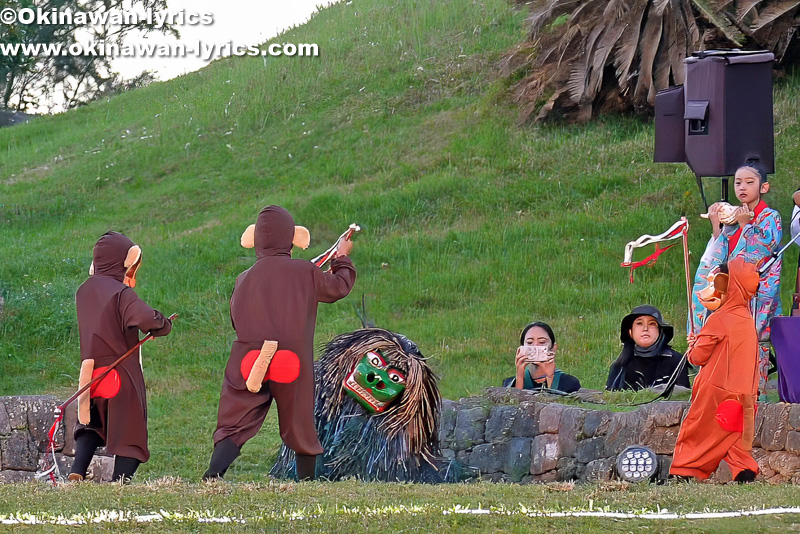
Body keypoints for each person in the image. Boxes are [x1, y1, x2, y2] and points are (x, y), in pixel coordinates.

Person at [203, 206, 356, 481]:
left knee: (235, 417)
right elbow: (337, 288)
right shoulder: (304, 271)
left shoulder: (243, 278)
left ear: (256, 240)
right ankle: (306, 482)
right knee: (299, 421)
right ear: (291, 239)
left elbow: (236, 319)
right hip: (290, 360)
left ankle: (213, 473)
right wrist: (342, 259)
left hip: (249, 359)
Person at [69, 232, 173, 483]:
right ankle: (120, 483)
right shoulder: (120, 292)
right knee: (130, 432)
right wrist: (163, 324)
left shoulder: (83, 290)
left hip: (90, 373)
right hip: (120, 372)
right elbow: (148, 319)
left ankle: (77, 471)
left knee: (91, 423)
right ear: (123, 260)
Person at [690, 162, 782, 393]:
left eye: (750, 182)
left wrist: (746, 225)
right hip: (729, 294)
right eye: (738, 182)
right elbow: (720, 257)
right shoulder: (733, 218)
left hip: (754, 294)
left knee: (751, 342)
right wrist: (717, 227)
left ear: (763, 187)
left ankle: (754, 395)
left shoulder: (770, 216)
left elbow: (759, 252)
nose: (742, 187)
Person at [670, 258, 760, 482]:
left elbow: (698, 357)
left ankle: (685, 470)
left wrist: (693, 346)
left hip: (716, 392)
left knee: (699, 430)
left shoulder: (719, 319)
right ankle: (744, 471)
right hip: (745, 393)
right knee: (735, 434)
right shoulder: (747, 320)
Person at [606, 305, 689, 391]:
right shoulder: (620, 366)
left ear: (660, 331)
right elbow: (610, 396)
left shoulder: (676, 361)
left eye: (652, 324)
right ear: (630, 332)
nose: (645, 329)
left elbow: (683, 395)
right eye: (639, 323)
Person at [502, 322, 580, 393]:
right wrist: (519, 377)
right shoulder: (509, 383)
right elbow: (512, 403)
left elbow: (557, 403)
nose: (535, 346)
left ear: (553, 348)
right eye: (529, 342)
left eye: (542, 342)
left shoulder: (569, 383)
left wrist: (550, 378)